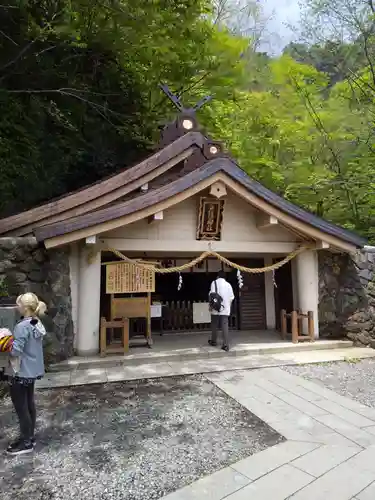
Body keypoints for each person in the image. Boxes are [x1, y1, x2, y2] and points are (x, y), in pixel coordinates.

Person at [5, 293, 47, 456]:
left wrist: (5, 343)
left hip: (20, 371)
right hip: (32, 371)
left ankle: (26, 442)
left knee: (21, 407)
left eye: (18, 304)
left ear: (24, 307)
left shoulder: (21, 326)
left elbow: (16, 350)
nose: (16, 307)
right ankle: (29, 436)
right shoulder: (36, 323)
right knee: (29, 404)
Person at [208, 270, 234, 352]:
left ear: (218, 276)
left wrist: (210, 306)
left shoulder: (214, 283)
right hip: (225, 308)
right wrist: (228, 306)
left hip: (215, 308)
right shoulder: (228, 285)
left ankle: (214, 341)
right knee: (225, 325)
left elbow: (211, 295)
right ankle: (226, 345)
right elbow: (231, 298)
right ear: (225, 277)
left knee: (214, 325)